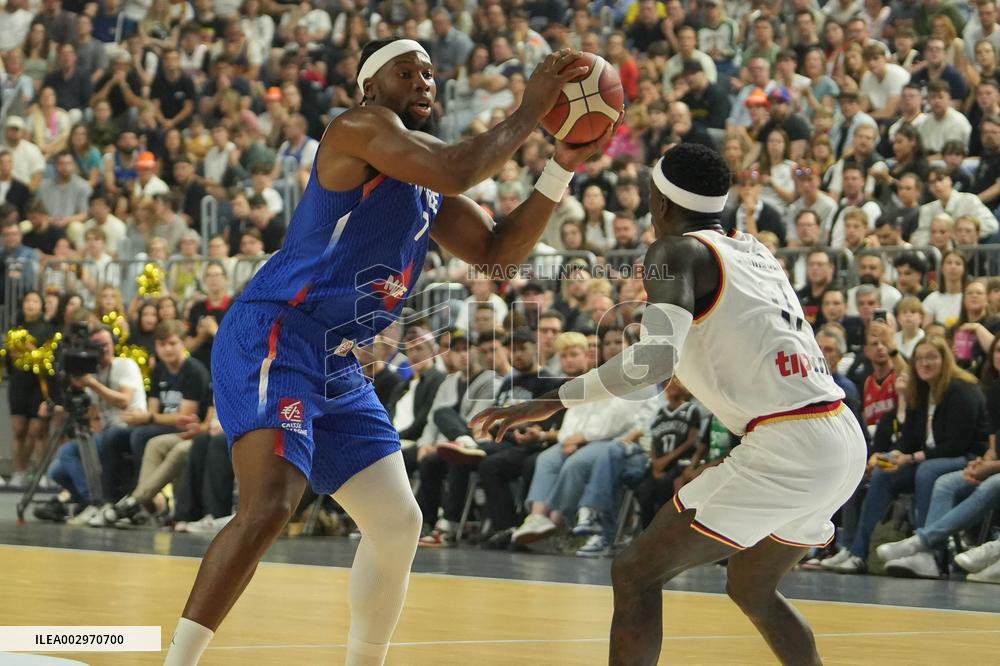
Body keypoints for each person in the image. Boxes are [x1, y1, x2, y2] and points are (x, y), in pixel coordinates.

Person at [165, 42, 618, 666]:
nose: (424, 80)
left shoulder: (427, 186)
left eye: (430, 72)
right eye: (407, 71)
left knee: (398, 522)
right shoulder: (359, 130)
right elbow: (459, 167)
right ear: (369, 88)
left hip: (337, 358)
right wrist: (529, 110)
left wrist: (562, 165)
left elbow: (498, 256)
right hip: (278, 331)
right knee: (270, 503)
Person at [472, 143, 866, 666]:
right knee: (752, 588)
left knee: (635, 571)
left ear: (659, 201)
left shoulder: (672, 253)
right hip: (840, 436)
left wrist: (551, 399)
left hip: (788, 441)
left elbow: (652, 364)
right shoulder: (753, 250)